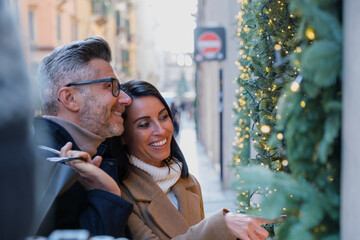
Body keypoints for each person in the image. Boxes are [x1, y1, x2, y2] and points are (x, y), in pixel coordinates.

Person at [111, 80, 281, 240]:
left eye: (163, 117)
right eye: (144, 124)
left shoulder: (188, 182)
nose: (161, 130)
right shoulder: (120, 194)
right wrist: (222, 224)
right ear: (122, 135)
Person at [33, 36, 133, 238]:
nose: (125, 98)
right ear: (70, 98)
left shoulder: (101, 152)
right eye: (110, 86)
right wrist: (107, 195)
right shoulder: (44, 167)